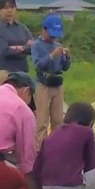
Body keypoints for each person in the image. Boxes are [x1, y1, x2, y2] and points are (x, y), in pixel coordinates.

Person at [30, 14, 71, 147]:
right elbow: (38, 65)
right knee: (42, 121)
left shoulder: (58, 45)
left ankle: (56, 147)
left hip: (57, 84)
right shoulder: (37, 45)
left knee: (58, 120)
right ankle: (40, 149)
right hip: (43, 84)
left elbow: (65, 68)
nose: (53, 37)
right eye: (51, 34)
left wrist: (67, 57)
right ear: (44, 29)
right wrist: (51, 56)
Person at [0, 0, 33, 85]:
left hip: (23, 73)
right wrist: (24, 48)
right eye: (6, 8)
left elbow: (32, 48)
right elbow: (4, 51)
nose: (9, 11)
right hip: (5, 74)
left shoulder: (22, 28)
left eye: (12, 7)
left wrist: (18, 48)